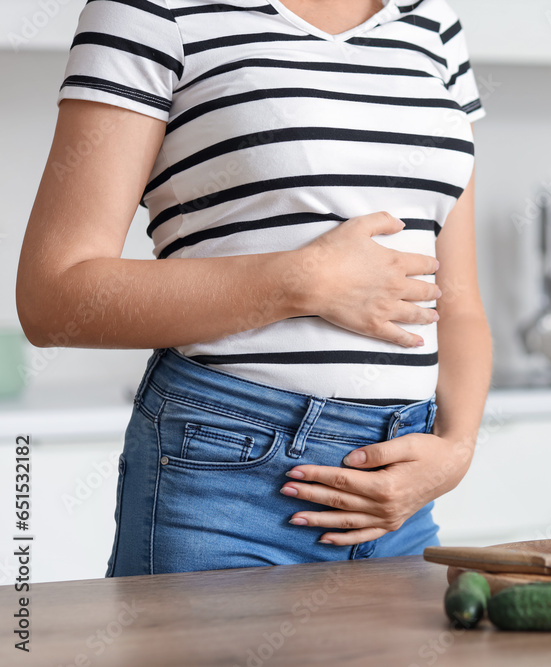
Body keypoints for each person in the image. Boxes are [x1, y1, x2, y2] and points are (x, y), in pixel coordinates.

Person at [15, 0, 492, 575]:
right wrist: (300, 282)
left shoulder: (431, 21)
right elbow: (54, 297)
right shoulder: (149, 11)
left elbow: (458, 297)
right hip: (226, 478)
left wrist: (457, 449)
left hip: (401, 491)